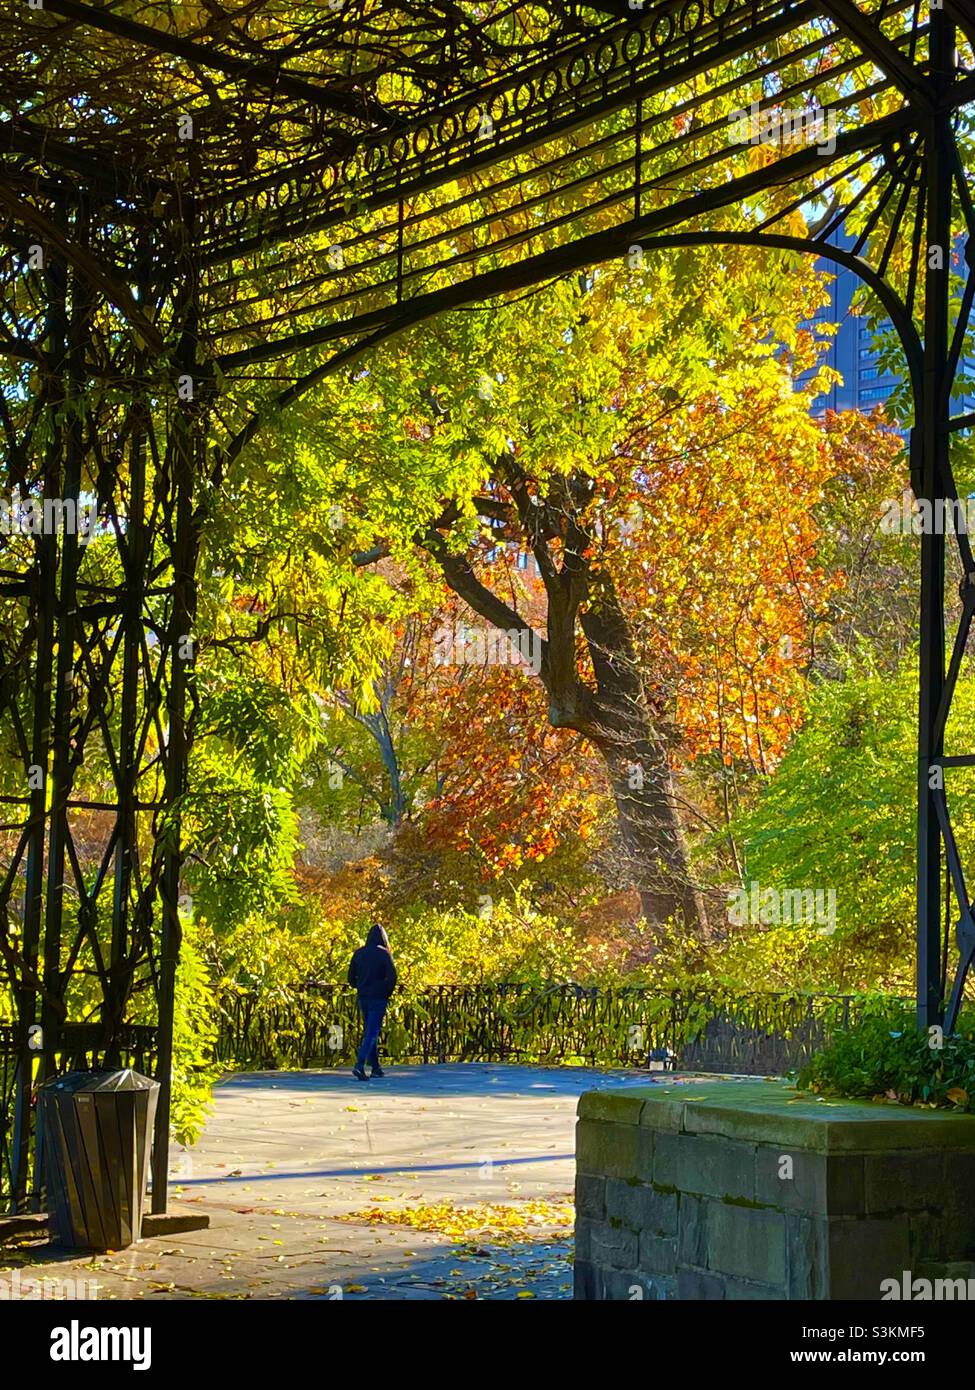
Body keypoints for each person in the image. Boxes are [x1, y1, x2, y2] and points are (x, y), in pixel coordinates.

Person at [347, 922, 397, 1080]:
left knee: (369, 1030)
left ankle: (375, 1067)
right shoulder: (384, 954)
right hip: (378, 997)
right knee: (372, 1032)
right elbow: (392, 976)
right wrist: (386, 991)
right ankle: (359, 1065)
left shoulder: (359, 953)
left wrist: (359, 986)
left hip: (363, 997)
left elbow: (351, 978)